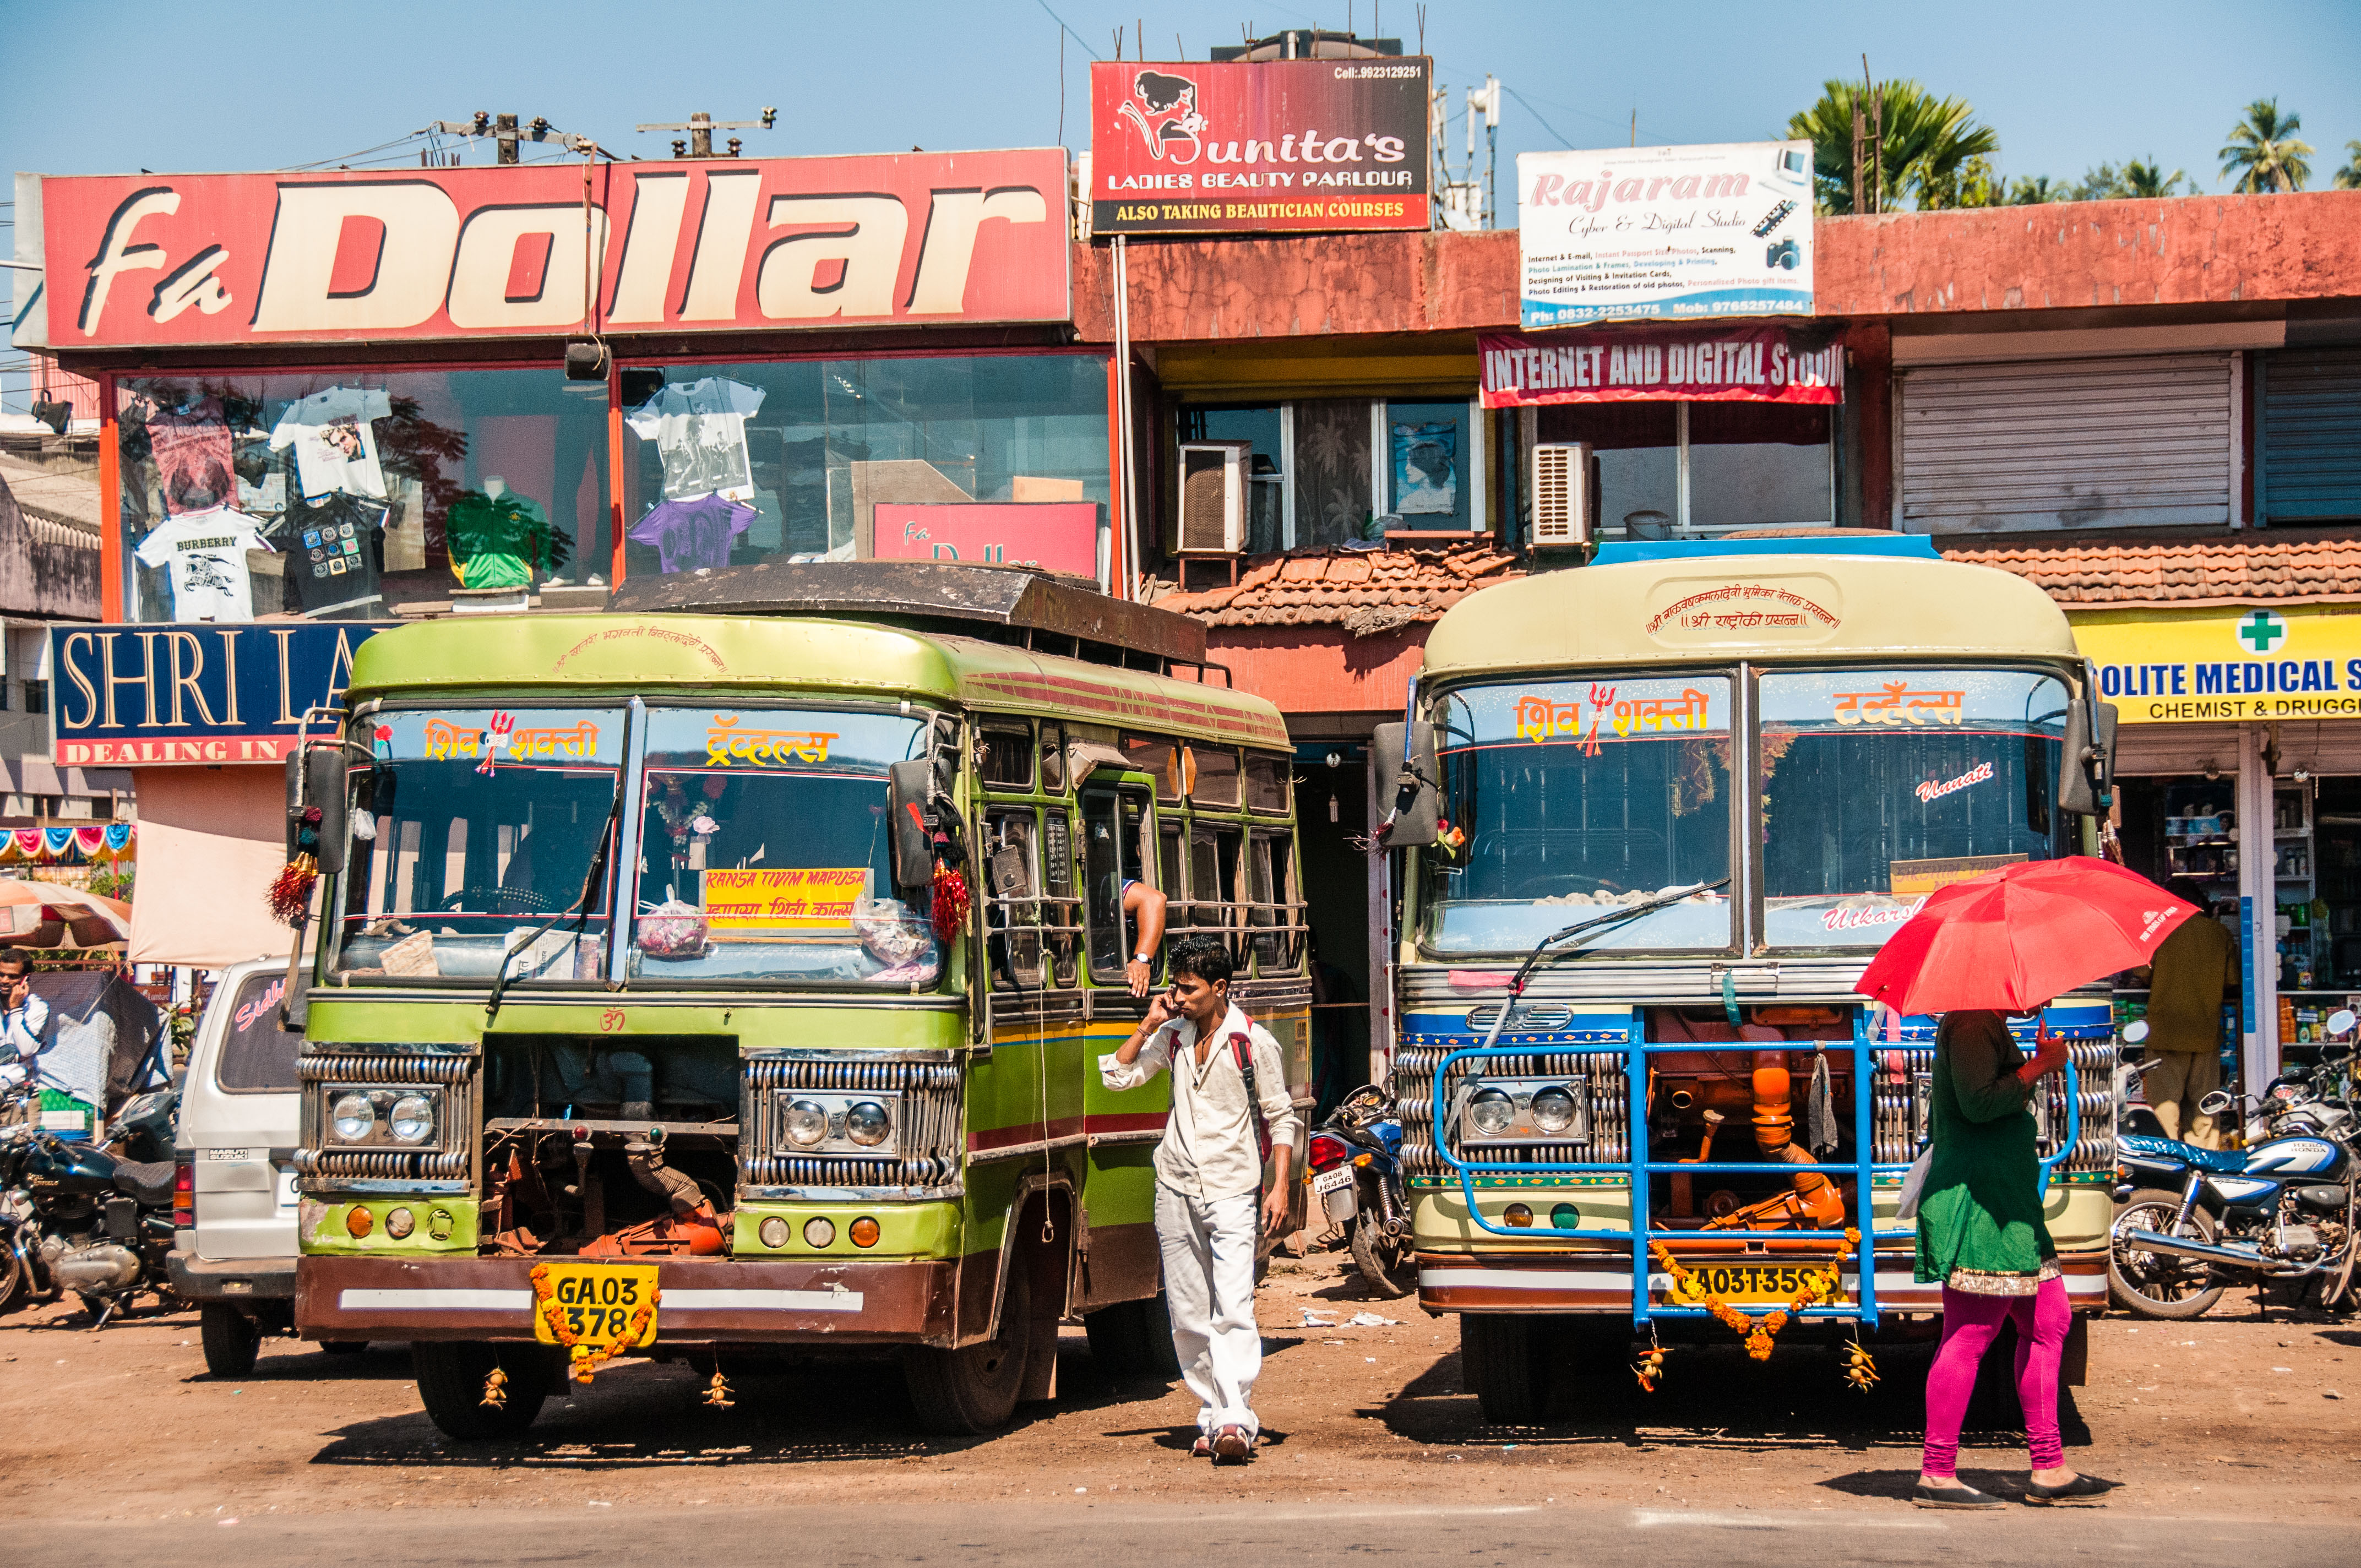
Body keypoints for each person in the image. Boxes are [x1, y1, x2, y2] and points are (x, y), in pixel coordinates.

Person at [1100, 934, 1298, 1462]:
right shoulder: (1172, 1037)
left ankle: (1236, 1418)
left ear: (1220, 988)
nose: (1179, 997)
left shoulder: (1252, 1043)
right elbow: (1119, 1076)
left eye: (1189, 990)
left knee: (1233, 1307)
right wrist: (1148, 1023)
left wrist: (1279, 1187)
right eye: (1175, 988)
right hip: (1175, 1188)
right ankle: (1213, 1413)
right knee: (1187, 1313)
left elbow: (1282, 1120)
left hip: (1234, 1191)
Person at [1913, 1007, 2117, 1508]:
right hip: (1984, 1205)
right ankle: (1937, 1473)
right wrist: (2039, 1067)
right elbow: (1979, 1104)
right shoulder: (1972, 1024)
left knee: (2050, 1323)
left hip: (2010, 1205)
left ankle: (2049, 1467)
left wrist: (2033, 1066)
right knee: (1970, 1334)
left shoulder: (1986, 1024)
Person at [2134, 879, 2237, 1148]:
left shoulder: (2158, 933)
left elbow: (2142, 974)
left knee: (2165, 1109)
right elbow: (2232, 982)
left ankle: (2169, 1166)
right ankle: (2204, 1168)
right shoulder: (2219, 933)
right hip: (2204, 1034)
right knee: (2204, 1112)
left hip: (2165, 1033)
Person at [0, 947, 97, 1139]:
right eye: (1, 974)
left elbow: (27, 1048)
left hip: (18, 1101)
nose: (4, 980)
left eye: (11, 976)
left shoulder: (37, 1007)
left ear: (25, 978)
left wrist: (16, 1010)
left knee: (19, 1161)